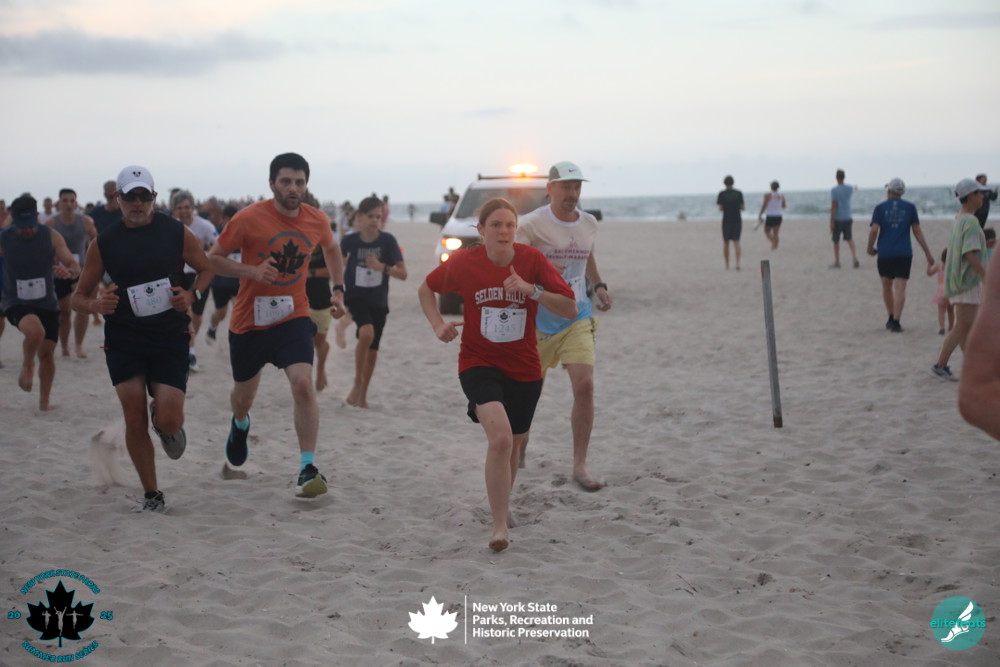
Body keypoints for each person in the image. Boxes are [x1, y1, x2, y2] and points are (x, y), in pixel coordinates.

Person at [418, 197, 576, 551]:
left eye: (510, 225)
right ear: (481, 230)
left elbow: (569, 307)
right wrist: (438, 324)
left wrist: (532, 290)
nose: (504, 231)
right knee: (501, 439)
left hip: (524, 367)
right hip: (479, 363)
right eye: (496, 225)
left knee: (515, 444)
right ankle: (499, 526)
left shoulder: (531, 260)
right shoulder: (465, 262)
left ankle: (502, 504)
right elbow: (426, 288)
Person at [72, 166, 212, 512]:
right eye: (130, 196)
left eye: (144, 196)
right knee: (133, 415)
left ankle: (163, 422)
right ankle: (152, 494)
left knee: (170, 419)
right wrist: (96, 305)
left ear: (154, 197)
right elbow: (78, 297)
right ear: (117, 198)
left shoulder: (176, 232)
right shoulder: (104, 242)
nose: (137, 203)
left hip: (169, 336)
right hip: (124, 337)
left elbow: (207, 268)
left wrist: (191, 295)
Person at [208, 152, 346, 498]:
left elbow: (332, 249)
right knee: (244, 397)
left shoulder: (317, 220)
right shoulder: (248, 218)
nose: (293, 188)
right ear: (272, 184)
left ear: (306, 185)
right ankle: (240, 423)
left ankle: (307, 467)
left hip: (292, 316)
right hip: (249, 322)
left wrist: (338, 289)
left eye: (299, 182)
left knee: (303, 385)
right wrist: (251, 271)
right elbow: (213, 259)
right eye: (285, 181)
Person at [515, 161, 611, 491]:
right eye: (566, 187)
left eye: (577, 187)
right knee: (530, 394)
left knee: (585, 386)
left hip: (576, 315)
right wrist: (540, 266)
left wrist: (598, 285)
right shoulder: (530, 224)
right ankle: (520, 446)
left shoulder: (589, 222)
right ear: (550, 188)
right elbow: (512, 261)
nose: (572, 193)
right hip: (536, 320)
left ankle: (579, 466)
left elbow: (587, 255)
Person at [1, 195, 81, 411]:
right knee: (35, 332)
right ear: (13, 219)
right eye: (22, 225)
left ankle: (44, 402)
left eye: (30, 224)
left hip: (46, 302)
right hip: (16, 300)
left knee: (47, 354)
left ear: (36, 217)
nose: (27, 230)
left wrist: (70, 271)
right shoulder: (5, 238)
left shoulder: (50, 236)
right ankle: (27, 364)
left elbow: (72, 262)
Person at [340, 195, 406, 408]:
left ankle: (362, 395)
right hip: (356, 296)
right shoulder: (349, 241)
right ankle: (356, 383)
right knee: (366, 334)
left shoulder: (387, 241)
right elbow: (338, 265)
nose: (375, 220)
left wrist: (381, 267)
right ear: (359, 216)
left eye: (378, 216)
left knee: (373, 350)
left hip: (378, 300)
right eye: (371, 216)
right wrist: (337, 291)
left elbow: (403, 274)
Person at [931, 178, 990, 381]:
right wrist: (984, 274)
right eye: (980, 193)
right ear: (970, 196)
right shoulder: (971, 222)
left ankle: (973, 368)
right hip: (967, 282)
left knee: (966, 327)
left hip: (958, 280)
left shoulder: (960, 218)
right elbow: (969, 253)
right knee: (963, 326)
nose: (983, 197)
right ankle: (940, 365)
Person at [865, 178, 935, 333]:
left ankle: (891, 317)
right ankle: (896, 321)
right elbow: (917, 231)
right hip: (904, 252)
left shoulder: (880, 208)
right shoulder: (910, 207)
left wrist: (870, 247)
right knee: (900, 287)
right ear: (902, 192)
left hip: (885, 252)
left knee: (886, 285)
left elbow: (874, 230)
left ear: (889, 191)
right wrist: (927, 252)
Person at [171, 190, 218, 371]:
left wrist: (204, 251)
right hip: (178, 274)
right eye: (179, 208)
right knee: (187, 313)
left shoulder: (204, 226)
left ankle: (188, 346)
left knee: (197, 316)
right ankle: (190, 353)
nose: (184, 211)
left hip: (200, 275)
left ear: (193, 207)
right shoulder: (170, 227)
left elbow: (218, 245)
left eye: (187, 207)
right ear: (174, 210)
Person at [47, 188, 97, 358]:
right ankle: (64, 346)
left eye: (72, 200)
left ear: (76, 203)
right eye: (65, 200)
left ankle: (78, 345)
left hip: (81, 270)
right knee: (65, 311)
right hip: (59, 273)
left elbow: (97, 242)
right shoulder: (51, 224)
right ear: (59, 203)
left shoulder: (85, 222)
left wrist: (93, 264)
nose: (68, 204)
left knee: (82, 308)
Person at [958, 247, 1000, 439]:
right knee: (960, 326)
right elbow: (976, 395)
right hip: (966, 286)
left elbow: (976, 395)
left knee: (959, 326)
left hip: (963, 286)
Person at [205, 205, 241, 343]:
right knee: (221, 313)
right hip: (220, 282)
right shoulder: (215, 234)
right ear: (224, 219)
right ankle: (212, 327)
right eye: (230, 220)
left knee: (239, 310)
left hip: (238, 281)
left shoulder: (242, 233)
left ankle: (238, 338)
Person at [830, 169, 860, 269]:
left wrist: (831, 220)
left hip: (838, 218)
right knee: (849, 238)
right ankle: (854, 258)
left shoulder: (834, 190)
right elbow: (855, 188)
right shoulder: (849, 188)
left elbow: (834, 205)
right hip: (847, 216)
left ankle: (837, 261)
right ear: (844, 177)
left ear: (836, 178)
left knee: (836, 240)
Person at [717, 175, 744, 270]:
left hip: (726, 220)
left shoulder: (722, 194)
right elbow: (742, 207)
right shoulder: (738, 193)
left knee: (726, 242)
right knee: (736, 242)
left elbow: (720, 208)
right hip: (737, 219)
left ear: (724, 183)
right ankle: (737, 263)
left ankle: (727, 264)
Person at [928, 250, 954, 335]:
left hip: (941, 291)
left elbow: (929, 273)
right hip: (951, 291)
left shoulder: (939, 266)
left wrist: (929, 265)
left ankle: (942, 328)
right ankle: (951, 327)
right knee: (951, 311)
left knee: (941, 311)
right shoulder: (954, 267)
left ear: (942, 258)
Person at [757, 180, 785, 250]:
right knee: (776, 233)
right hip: (778, 215)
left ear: (771, 187)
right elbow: (784, 206)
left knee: (767, 231)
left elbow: (764, 205)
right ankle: (775, 245)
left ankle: (773, 243)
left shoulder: (767, 195)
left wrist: (760, 213)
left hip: (770, 215)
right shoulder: (781, 195)